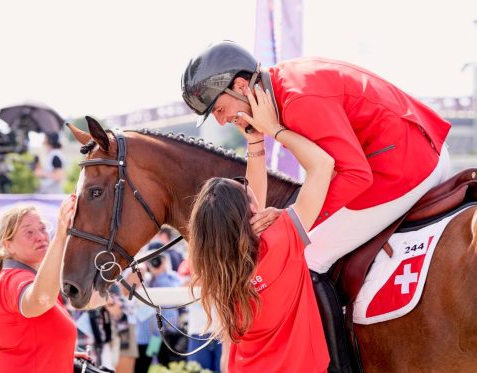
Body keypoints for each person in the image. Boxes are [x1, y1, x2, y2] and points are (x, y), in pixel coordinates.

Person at [181, 40, 452, 372]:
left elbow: (354, 175)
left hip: (405, 167)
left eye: (219, 110)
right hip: (404, 151)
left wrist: (297, 221)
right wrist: (257, 139)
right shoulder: (283, 86)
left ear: (240, 86)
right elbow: (265, 199)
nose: (222, 122)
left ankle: (339, 365)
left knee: (308, 256)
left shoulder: (297, 101)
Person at [188, 94, 334, 372]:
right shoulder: (281, 238)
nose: (251, 191)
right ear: (250, 212)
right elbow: (322, 165)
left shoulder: (216, 271)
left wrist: (256, 141)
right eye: (245, 192)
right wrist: (275, 129)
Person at [0, 197, 88, 373]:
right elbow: (41, 300)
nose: (40, 237)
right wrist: (61, 236)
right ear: (8, 245)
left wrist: (61, 353)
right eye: (29, 233)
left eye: (42, 229)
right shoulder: (12, 278)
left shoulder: (39, 281)